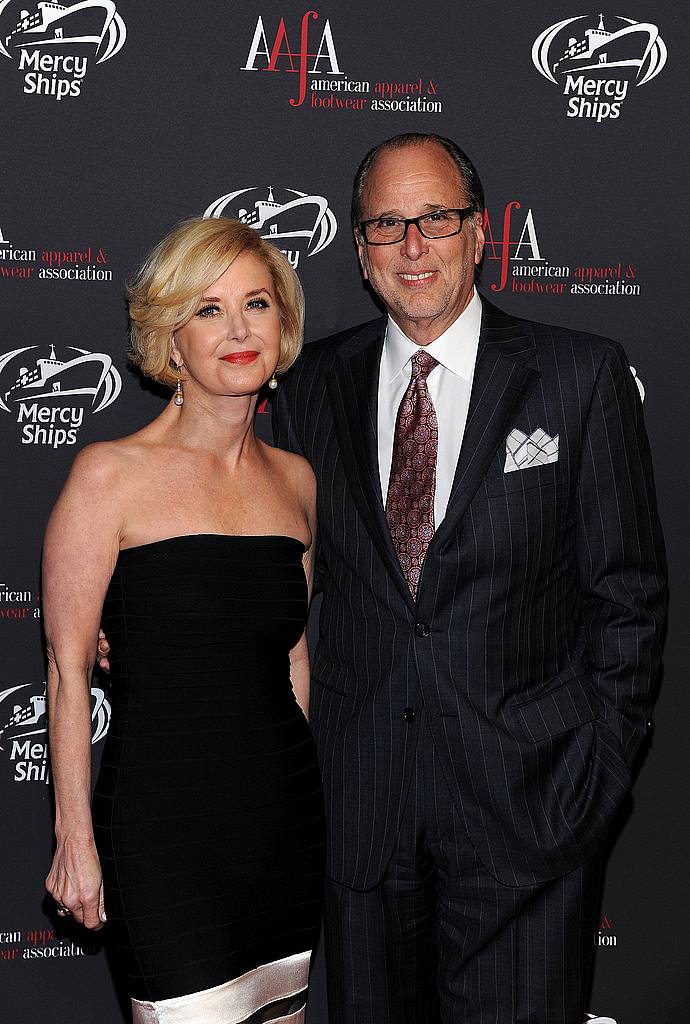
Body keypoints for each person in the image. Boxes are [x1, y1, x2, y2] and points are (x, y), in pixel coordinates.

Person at [270, 133, 667, 1023]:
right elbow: (274, 575)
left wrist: (594, 776)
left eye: (436, 219)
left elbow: (629, 598)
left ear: (479, 234)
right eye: (387, 225)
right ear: (361, 251)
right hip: (363, 818)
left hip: (531, 813)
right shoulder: (309, 390)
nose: (414, 247)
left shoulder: (578, 376)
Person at [43, 217, 326, 1024]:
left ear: (284, 324)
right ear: (170, 339)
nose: (238, 330)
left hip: (284, 826)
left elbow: (293, 655)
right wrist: (75, 841)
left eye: (257, 304)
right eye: (207, 310)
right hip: (163, 834)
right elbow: (67, 671)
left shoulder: (299, 482)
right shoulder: (108, 476)